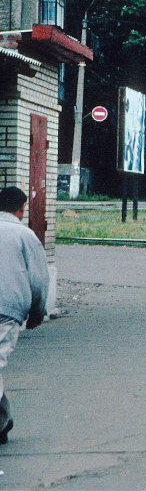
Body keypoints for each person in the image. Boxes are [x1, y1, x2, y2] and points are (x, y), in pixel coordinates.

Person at [0, 187, 48, 445]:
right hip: (7, 310)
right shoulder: (25, 235)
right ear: (21, 209)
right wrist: (37, 313)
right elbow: (38, 279)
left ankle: (2, 420)